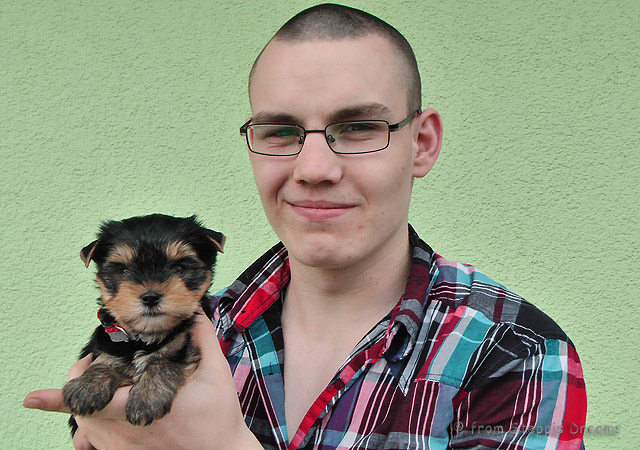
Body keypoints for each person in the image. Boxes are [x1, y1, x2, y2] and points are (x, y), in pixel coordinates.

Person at [24, 4, 587, 449]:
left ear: (422, 143)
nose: (314, 168)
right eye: (280, 132)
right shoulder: (199, 327)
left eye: (358, 127)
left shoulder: (516, 353)